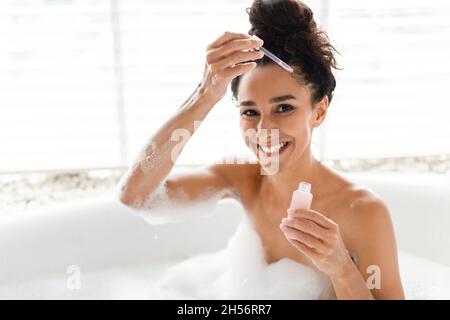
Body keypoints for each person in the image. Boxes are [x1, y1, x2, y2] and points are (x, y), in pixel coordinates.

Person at [118, 0, 405, 300]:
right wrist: (205, 94)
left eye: (284, 108)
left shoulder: (363, 212)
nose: (264, 130)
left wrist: (342, 269)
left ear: (319, 112)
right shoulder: (242, 179)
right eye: (250, 112)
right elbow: (135, 196)